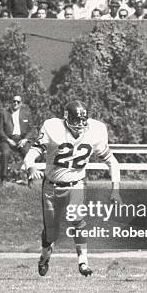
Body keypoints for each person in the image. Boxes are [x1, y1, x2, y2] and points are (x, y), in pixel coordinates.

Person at [24, 100, 122, 277]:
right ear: (67, 118)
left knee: (77, 219)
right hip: (51, 186)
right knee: (51, 233)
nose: (80, 124)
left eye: (83, 120)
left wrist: (115, 189)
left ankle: (83, 261)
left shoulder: (95, 131)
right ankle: (45, 256)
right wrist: (30, 166)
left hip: (76, 183)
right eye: (76, 120)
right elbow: (33, 152)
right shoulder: (52, 128)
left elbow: (112, 162)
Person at [0, 95, 36, 186]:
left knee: (28, 153)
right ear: (11, 102)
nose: (15, 103)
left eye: (18, 102)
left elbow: (33, 129)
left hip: (22, 139)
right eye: (14, 101)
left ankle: (30, 180)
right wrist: (8, 140)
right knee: (5, 153)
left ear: (21, 104)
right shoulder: (4, 113)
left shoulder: (26, 114)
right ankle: (3, 178)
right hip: (8, 139)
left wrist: (25, 139)